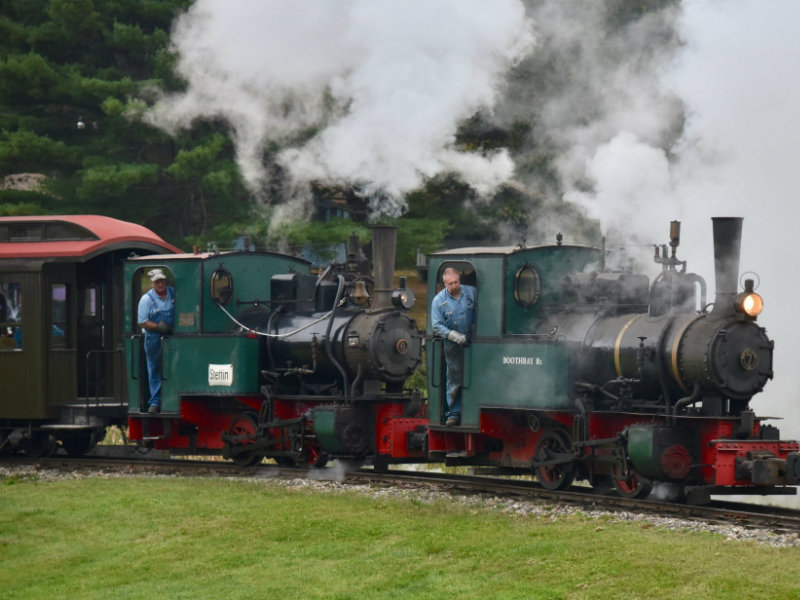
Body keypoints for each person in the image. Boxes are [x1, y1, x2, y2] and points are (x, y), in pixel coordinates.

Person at [431, 267, 475, 426]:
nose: (454, 286)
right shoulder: (438, 301)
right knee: (455, 376)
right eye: (450, 283)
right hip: (453, 344)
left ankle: (473, 408)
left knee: (475, 375)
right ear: (445, 284)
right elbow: (436, 326)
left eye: (456, 282)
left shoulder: (471, 293)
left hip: (473, 340)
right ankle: (454, 413)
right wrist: (455, 337)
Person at [137, 268, 175, 413]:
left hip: (172, 335)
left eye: (162, 281)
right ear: (152, 283)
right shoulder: (146, 299)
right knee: (155, 368)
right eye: (157, 282)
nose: (160, 284)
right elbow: (142, 322)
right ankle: (155, 401)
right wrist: (158, 326)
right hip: (154, 337)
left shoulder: (172, 293)